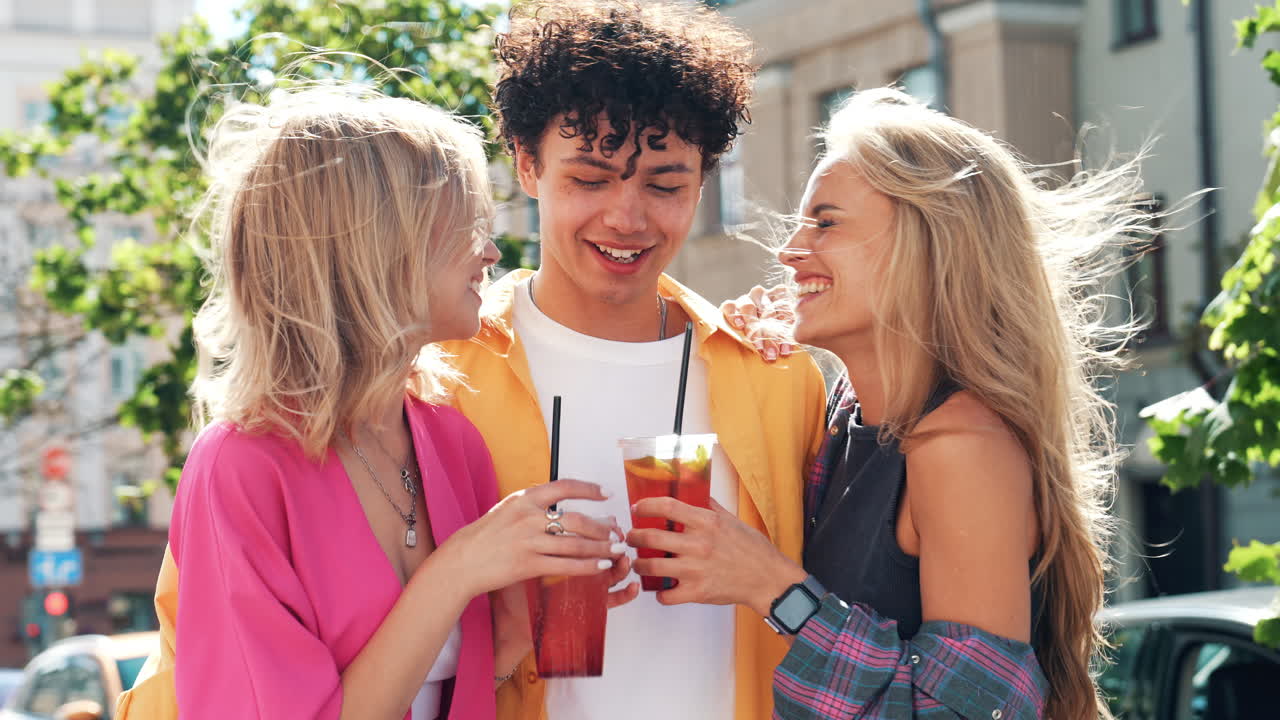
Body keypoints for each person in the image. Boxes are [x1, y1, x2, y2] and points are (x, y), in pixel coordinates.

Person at [630, 87, 1150, 719]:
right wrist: (761, 368)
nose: (788, 250)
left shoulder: (961, 449)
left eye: (826, 222)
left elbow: (969, 713)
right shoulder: (852, 419)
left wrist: (775, 588)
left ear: (929, 243)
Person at [115, 86, 626, 720]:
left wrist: (521, 631)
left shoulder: (451, 442)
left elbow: (448, 691)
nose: (492, 252)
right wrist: (458, 570)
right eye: (469, 224)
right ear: (379, 245)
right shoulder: (242, 467)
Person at [443, 2, 827, 719]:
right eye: (589, 179)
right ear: (527, 165)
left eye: (665, 184)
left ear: (705, 181)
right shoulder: (443, 378)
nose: (627, 218)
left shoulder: (778, 377)